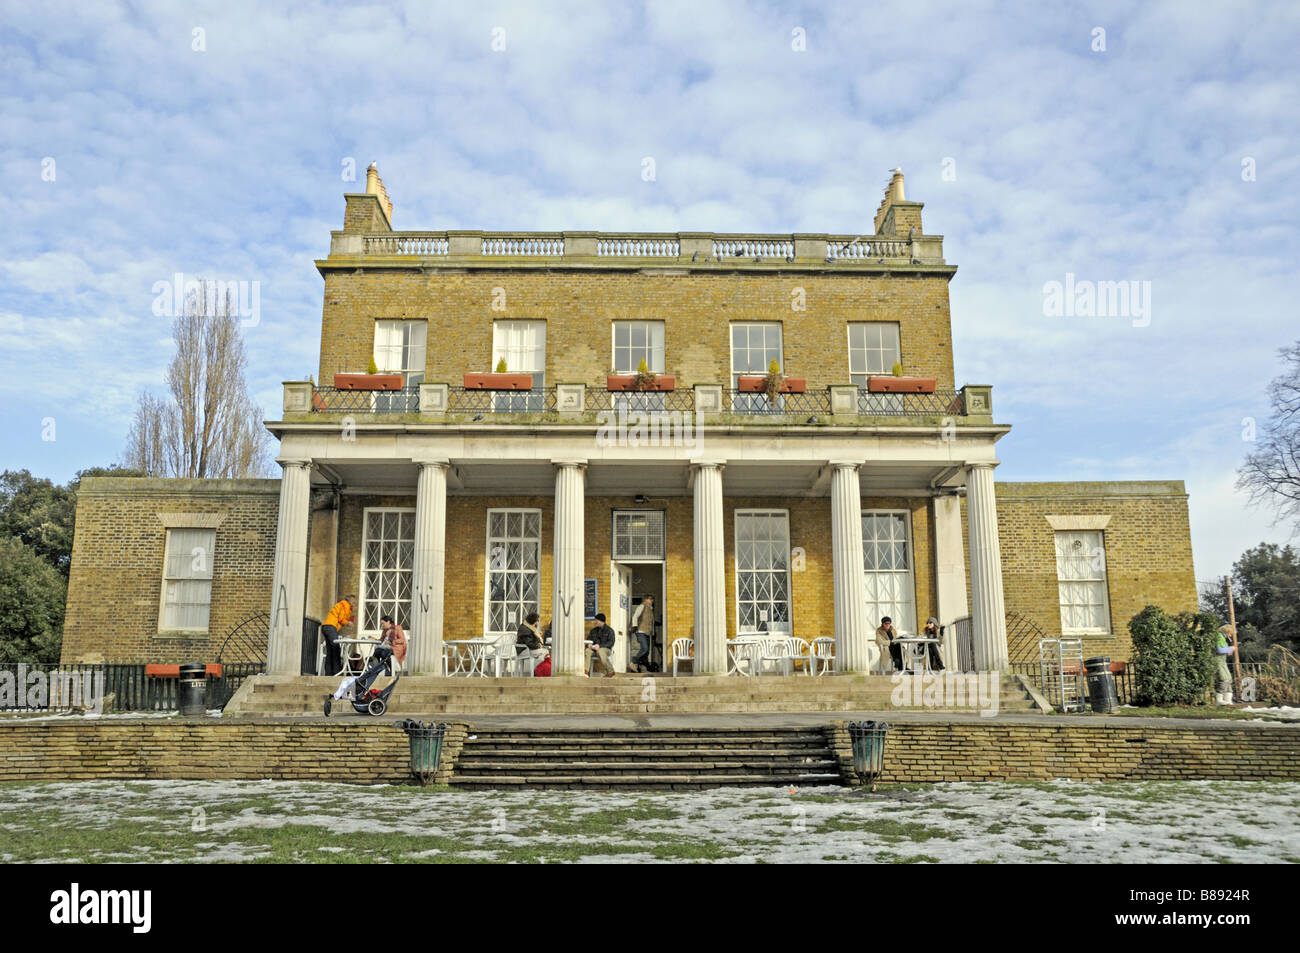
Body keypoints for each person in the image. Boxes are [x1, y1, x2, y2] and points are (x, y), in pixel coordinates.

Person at [321, 595, 356, 675]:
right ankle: (337, 672)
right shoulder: (346, 605)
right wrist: (348, 623)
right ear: (350, 600)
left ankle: (329, 674)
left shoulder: (341, 604)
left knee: (330, 651)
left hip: (325, 627)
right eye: (354, 601)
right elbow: (341, 618)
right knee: (336, 650)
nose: (355, 603)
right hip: (331, 627)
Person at [586, 613, 617, 677]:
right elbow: (588, 639)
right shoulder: (593, 631)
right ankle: (586, 671)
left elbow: (611, 642)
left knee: (600, 651)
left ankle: (610, 671)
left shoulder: (609, 630)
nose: (595, 622)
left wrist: (600, 646)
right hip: (593, 649)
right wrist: (588, 645)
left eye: (596, 620)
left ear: (601, 621)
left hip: (606, 649)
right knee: (587, 651)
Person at [629, 595, 654, 673]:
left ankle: (644, 668)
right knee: (644, 648)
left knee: (646, 652)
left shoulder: (650, 609)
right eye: (650, 599)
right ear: (646, 599)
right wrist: (635, 626)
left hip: (647, 632)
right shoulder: (642, 606)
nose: (652, 601)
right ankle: (633, 662)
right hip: (641, 631)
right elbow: (635, 616)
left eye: (652, 599)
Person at [1214, 624, 1237, 705]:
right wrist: (1231, 648)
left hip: (1222, 661)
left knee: (1229, 679)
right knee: (1224, 679)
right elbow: (1219, 650)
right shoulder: (1219, 636)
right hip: (1218, 661)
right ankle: (1218, 700)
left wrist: (1228, 651)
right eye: (1230, 633)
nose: (1230, 635)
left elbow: (1223, 650)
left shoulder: (1222, 638)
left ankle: (1228, 700)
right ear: (1227, 632)